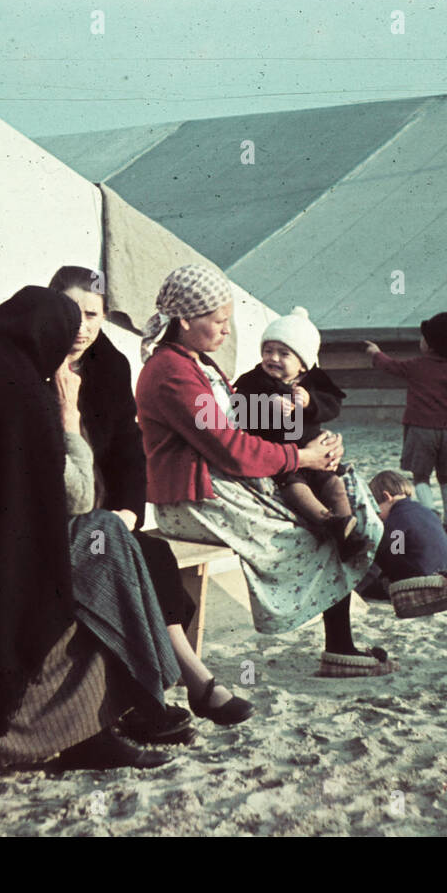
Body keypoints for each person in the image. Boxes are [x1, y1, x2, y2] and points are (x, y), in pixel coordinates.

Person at [0, 286, 179, 783]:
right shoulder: (25, 388)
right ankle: (113, 719)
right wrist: (68, 417)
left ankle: (121, 715)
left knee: (107, 545)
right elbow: (78, 498)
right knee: (106, 544)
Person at [136, 264, 392, 679]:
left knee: (343, 490)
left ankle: (368, 602)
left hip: (214, 486)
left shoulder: (194, 363)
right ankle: (343, 640)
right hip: (192, 498)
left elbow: (242, 429)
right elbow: (231, 447)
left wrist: (319, 447)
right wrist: (301, 459)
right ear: (185, 321)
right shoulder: (172, 374)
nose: (225, 331)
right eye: (218, 321)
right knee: (315, 534)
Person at [51, 264, 252, 731]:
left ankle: (173, 686)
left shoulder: (109, 365)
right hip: (55, 517)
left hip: (102, 512)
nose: (83, 328)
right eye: (72, 313)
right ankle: (176, 688)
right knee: (135, 562)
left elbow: (127, 445)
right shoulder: (34, 367)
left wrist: (128, 508)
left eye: (94, 315)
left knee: (153, 554)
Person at [233, 307, 366, 559]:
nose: (273, 358)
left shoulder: (313, 382)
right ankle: (328, 521)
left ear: (303, 363)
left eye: (284, 353)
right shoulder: (253, 381)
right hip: (283, 458)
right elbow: (240, 410)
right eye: (268, 350)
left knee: (335, 486)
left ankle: (349, 531)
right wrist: (265, 406)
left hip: (314, 454)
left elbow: (333, 405)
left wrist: (310, 402)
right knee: (296, 488)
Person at [361, 312, 447, 534]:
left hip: (421, 429)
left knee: (421, 475)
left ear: (428, 344)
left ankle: (430, 512)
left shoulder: (417, 366)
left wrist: (375, 353)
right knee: (446, 476)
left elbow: (391, 366)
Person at [364, 471, 447, 618]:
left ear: (387, 497)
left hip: (422, 580)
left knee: (373, 581)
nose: (377, 515)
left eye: (377, 509)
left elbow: (395, 556)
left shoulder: (396, 521)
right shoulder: (427, 512)